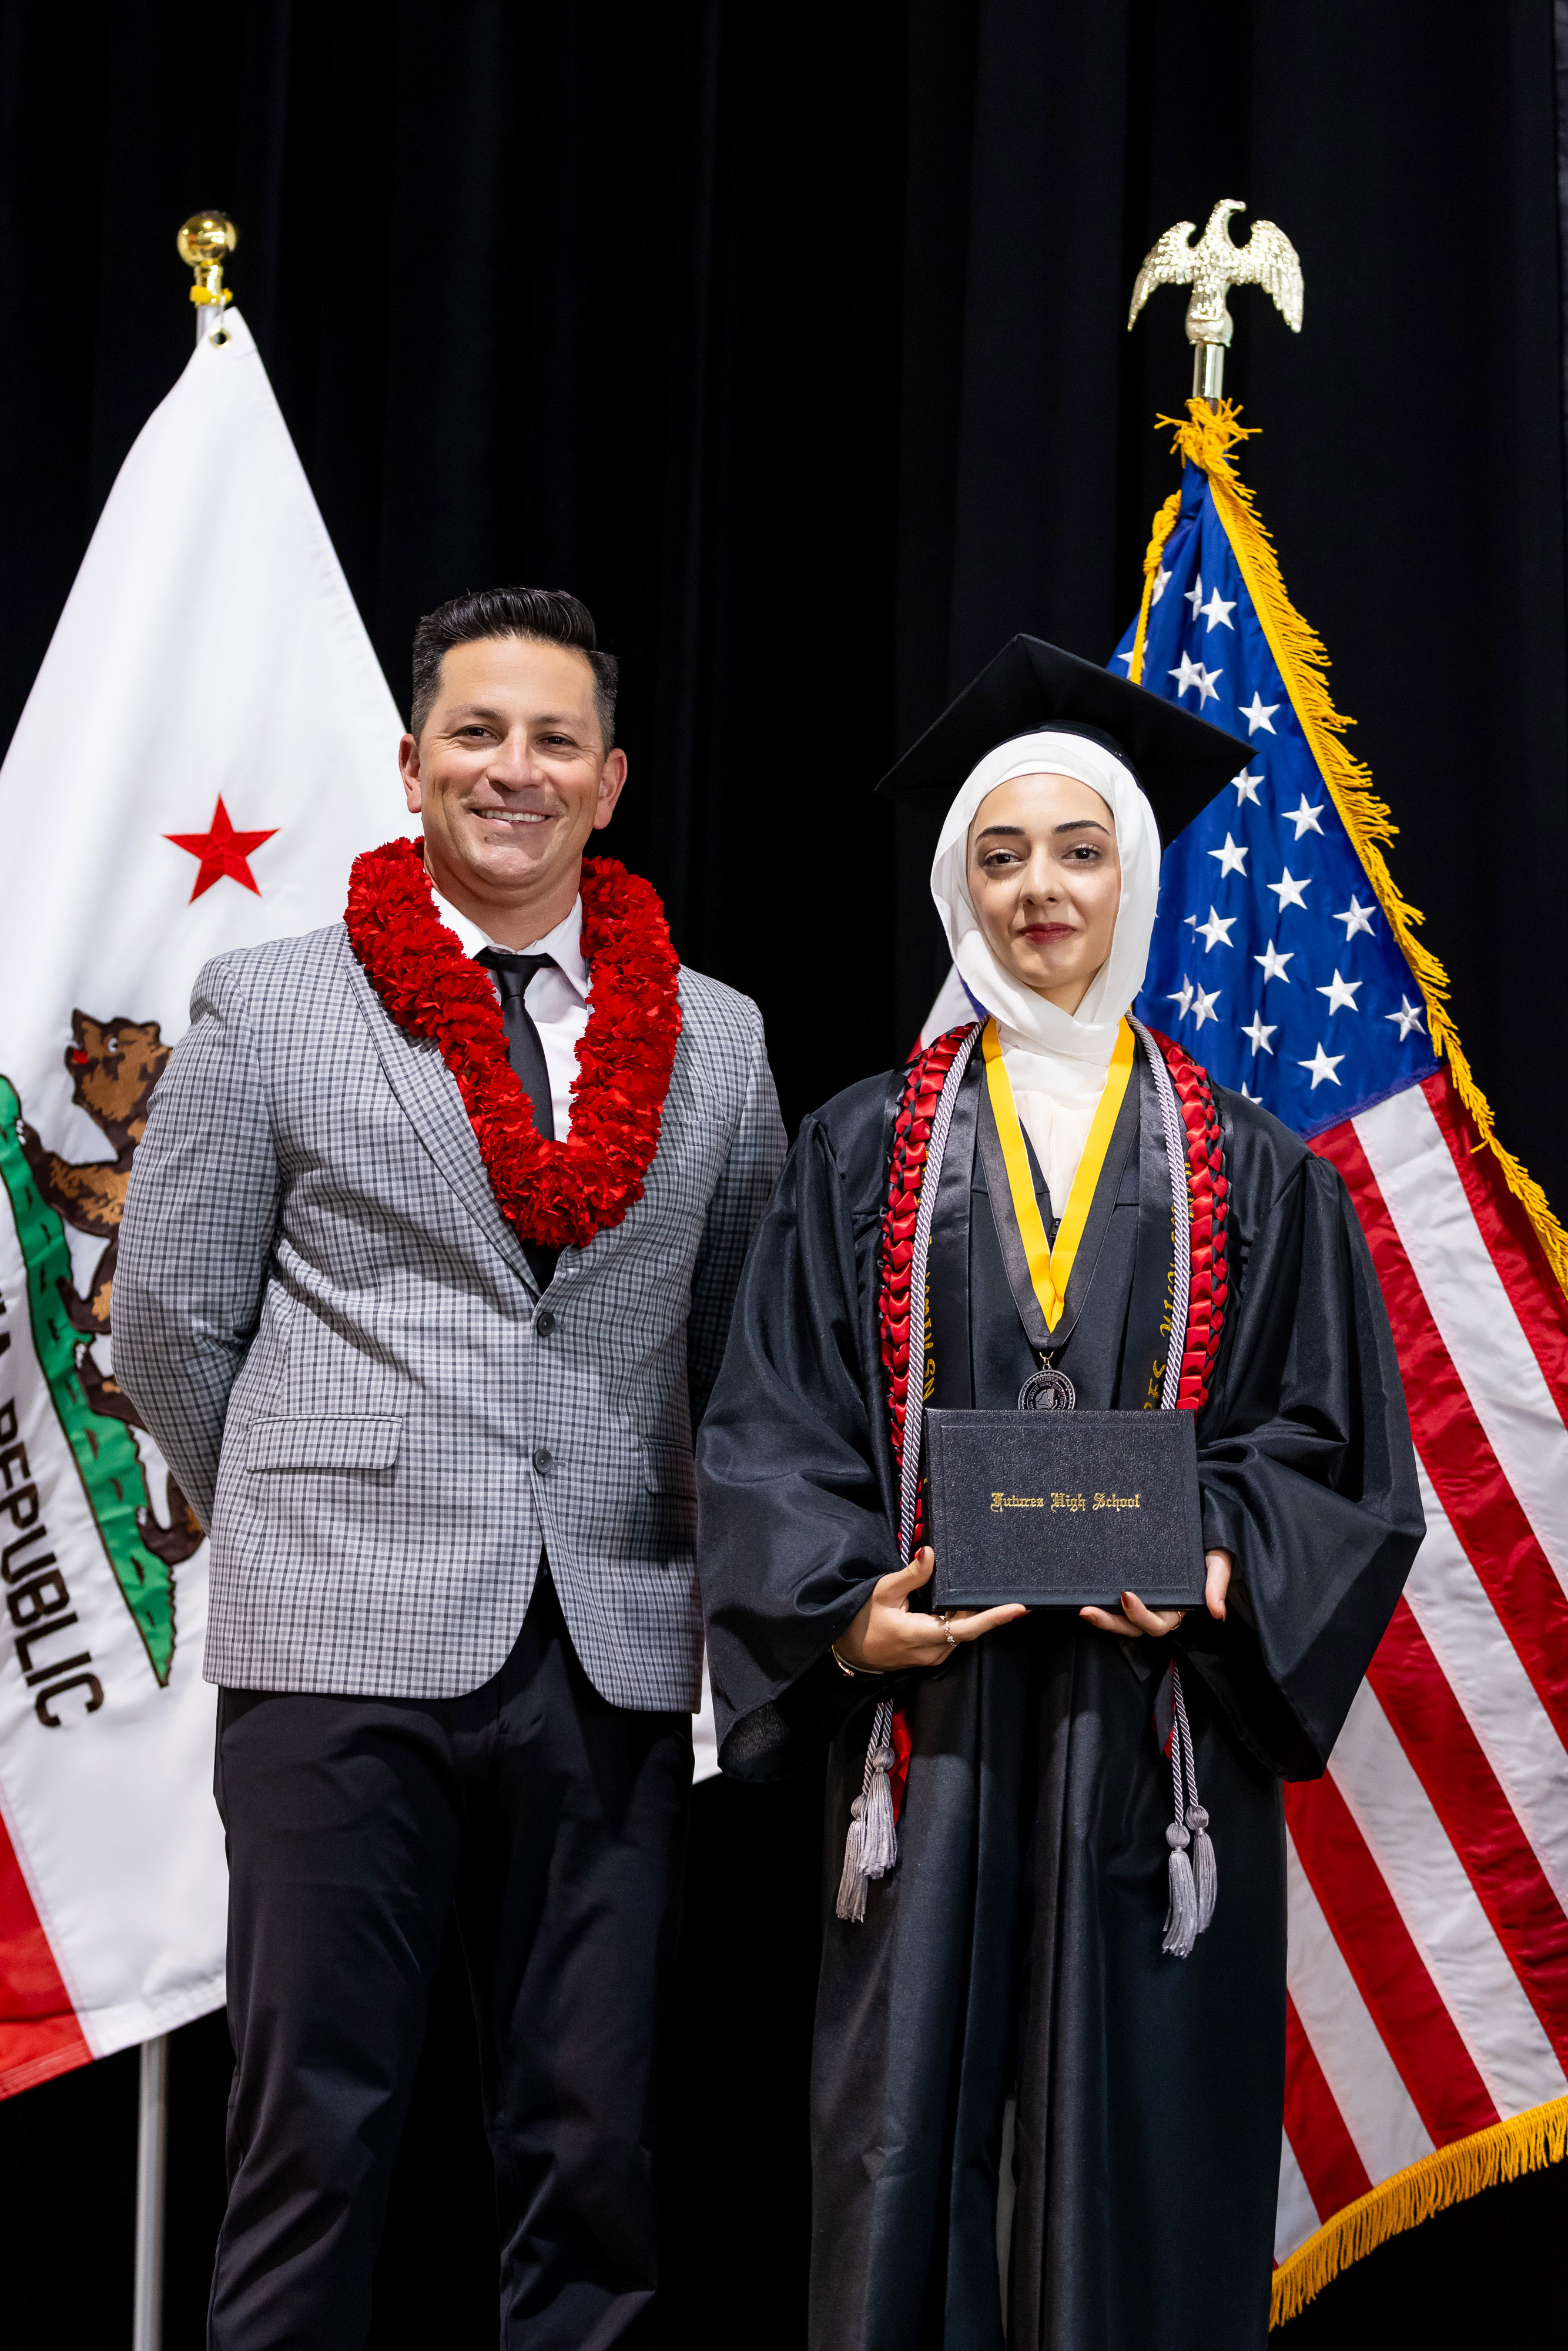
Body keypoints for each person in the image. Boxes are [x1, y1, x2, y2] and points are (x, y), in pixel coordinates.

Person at [696, 637, 1423, 2351]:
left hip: (1149, 1722)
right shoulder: (860, 1148)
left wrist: (1220, 1560)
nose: (1042, 891)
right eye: (1003, 854)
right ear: (960, 885)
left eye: (1079, 852)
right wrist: (844, 1618)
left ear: (1134, 879)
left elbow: (1331, 1446)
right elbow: (773, 1421)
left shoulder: (1252, 1166)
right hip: (930, 1730)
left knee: (1144, 2138)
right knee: (903, 2138)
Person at [115, 585, 786, 2349]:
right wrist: (298, 1508)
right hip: (335, 1648)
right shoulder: (267, 1003)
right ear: (411, 765)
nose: (515, 769)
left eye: (556, 740)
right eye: (477, 734)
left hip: (613, 1640)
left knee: (591, 2144)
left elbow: (736, 1353)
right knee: (313, 2135)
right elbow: (170, 1322)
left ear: (611, 781)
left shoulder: (717, 1038)